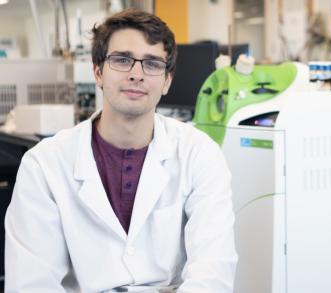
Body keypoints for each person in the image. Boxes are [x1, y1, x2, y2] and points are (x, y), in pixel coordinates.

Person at [5, 8, 237, 293]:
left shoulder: (200, 154)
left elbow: (213, 274)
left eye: (152, 64)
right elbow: (31, 283)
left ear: (167, 80)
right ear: (98, 71)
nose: (137, 74)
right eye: (123, 60)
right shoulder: (44, 164)